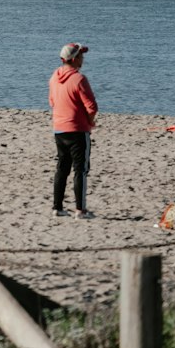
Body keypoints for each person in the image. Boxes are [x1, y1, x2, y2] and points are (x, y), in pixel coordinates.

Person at [49, 42, 98, 218]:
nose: (83, 58)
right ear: (75, 58)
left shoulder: (55, 76)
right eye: (81, 56)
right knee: (81, 170)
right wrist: (90, 123)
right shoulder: (79, 79)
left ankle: (57, 207)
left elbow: (52, 102)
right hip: (77, 130)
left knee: (62, 168)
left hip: (59, 129)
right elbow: (92, 107)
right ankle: (80, 210)